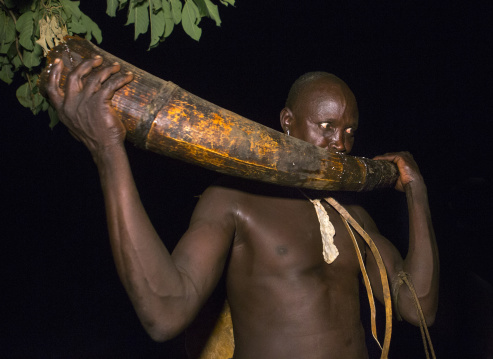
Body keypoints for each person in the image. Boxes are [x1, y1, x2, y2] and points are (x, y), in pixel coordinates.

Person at [46, 56, 439, 359]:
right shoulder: (233, 199)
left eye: (349, 131)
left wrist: (416, 193)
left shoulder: (356, 219)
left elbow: (418, 306)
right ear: (288, 122)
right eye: (326, 126)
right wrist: (108, 152)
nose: (341, 144)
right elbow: (165, 311)